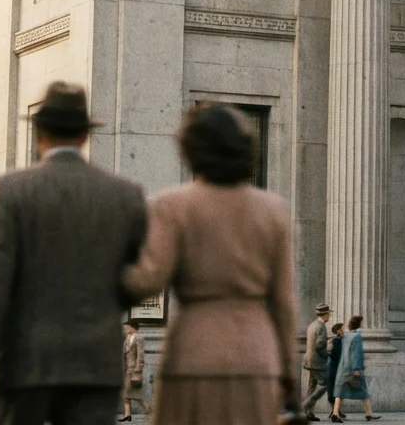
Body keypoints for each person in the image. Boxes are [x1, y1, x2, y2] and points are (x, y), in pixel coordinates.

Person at [0, 82, 148, 425]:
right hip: (94, 364)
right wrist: (104, 300)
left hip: (24, 362)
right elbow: (140, 277)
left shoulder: (10, 191)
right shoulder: (125, 194)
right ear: (85, 135)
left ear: (39, 133)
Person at [123, 104, 298, 425]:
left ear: (191, 150)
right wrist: (288, 374)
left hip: (193, 351)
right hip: (255, 355)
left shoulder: (171, 205)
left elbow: (147, 280)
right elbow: (284, 305)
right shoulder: (274, 210)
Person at [331, 316, 380, 422]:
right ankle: (369, 413)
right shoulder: (357, 337)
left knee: (339, 391)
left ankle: (335, 413)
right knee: (363, 390)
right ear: (359, 324)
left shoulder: (346, 335)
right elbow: (356, 353)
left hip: (343, 367)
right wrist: (357, 368)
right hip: (352, 368)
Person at [302, 304, 333, 421]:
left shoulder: (312, 325)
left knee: (312, 386)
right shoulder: (321, 326)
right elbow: (319, 345)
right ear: (325, 314)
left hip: (308, 360)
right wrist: (327, 354)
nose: (329, 316)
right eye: (329, 314)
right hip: (317, 361)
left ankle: (309, 413)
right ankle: (306, 404)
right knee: (325, 384)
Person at [121, 320, 149, 422]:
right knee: (127, 392)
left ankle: (147, 406)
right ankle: (127, 415)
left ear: (132, 327)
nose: (126, 329)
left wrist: (138, 368)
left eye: (127, 327)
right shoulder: (127, 338)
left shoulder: (139, 338)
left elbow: (140, 354)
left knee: (130, 392)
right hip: (126, 368)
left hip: (133, 369)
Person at [325, 323, 345, 423]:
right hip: (335, 368)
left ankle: (336, 410)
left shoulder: (334, 340)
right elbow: (337, 355)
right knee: (336, 390)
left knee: (333, 390)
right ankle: (335, 411)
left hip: (332, 368)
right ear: (337, 331)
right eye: (341, 329)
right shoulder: (337, 341)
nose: (343, 331)